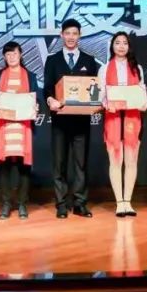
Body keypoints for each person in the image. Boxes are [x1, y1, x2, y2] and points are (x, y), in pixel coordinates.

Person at [43, 18, 100, 219]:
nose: (71, 37)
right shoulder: (53, 60)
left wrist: (94, 103)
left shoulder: (89, 60)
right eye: (67, 33)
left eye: (74, 33)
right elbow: (47, 88)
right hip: (59, 120)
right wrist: (50, 100)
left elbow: (94, 89)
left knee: (80, 163)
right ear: (61, 35)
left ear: (79, 35)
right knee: (59, 164)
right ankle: (61, 204)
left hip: (81, 121)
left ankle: (80, 203)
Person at [0, 41, 41, 220]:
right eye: (8, 54)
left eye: (14, 53)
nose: (11, 57)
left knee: (24, 166)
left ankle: (23, 203)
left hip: (23, 128)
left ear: (21, 54)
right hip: (4, 127)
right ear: (4, 57)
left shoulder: (30, 76)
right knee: (4, 166)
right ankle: (6, 203)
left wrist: (35, 106)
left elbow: (37, 98)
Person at [99, 32, 147, 217]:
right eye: (117, 43)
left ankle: (128, 201)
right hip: (112, 118)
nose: (121, 46)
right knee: (115, 161)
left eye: (124, 43)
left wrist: (142, 102)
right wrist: (107, 103)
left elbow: (141, 91)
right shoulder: (104, 69)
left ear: (129, 46)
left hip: (133, 118)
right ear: (112, 46)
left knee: (131, 160)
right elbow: (101, 96)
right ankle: (119, 202)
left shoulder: (137, 68)